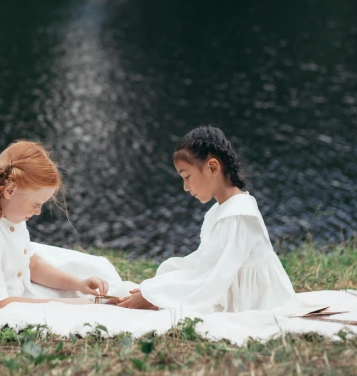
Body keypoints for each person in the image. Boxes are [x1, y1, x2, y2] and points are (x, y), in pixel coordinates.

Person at [116, 125, 298, 314]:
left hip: (256, 301)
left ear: (212, 167)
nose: (185, 187)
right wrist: (158, 286)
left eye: (187, 177)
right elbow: (205, 261)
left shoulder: (237, 214)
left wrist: (154, 295)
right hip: (229, 285)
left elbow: (212, 279)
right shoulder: (221, 209)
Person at [0, 140, 108, 310]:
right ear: (10, 190)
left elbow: (32, 266)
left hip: (7, 294)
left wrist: (78, 284)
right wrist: (65, 305)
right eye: (36, 204)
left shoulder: (9, 212)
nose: (38, 212)